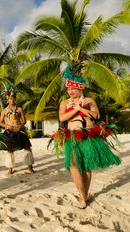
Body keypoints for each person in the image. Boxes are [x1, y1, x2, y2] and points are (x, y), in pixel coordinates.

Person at [50, 64, 121, 209]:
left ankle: (84, 195)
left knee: (87, 166)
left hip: (89, 135)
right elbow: (62, 118)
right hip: (73, 136)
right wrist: (75, 110)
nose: (70, 91)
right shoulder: (64, 103)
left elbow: (96, 115)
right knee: (73, 165)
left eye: (73, 88)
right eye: (68, 88)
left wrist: (81, 108)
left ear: (80, 88)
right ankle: (82, 194)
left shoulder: (89, 101)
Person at [0, 84, 35, 175]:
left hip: (19, 130)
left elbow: (24, 120)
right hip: (9, 131)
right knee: (10, 150)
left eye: (14, 97)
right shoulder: (4, 111)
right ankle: (10, 169)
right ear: (7, 99)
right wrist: (7, 126)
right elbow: (0, 122)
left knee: (27, 147)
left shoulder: (19, 109)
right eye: (10, 97)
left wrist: (20, 126)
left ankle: (30, 167)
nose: (12, 99)